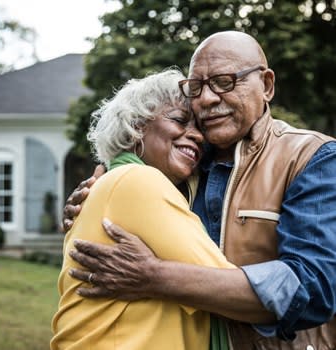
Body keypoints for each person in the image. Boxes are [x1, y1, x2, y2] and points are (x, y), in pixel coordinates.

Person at [64, 31, 336, 349]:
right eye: (196, 87)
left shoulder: (311, 156)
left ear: (267, 85)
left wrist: (155, 277)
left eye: (224, 81)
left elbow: (313, 288)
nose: (205, 99)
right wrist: (92, 200)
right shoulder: (178, 166)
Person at [51, 69, 238, 350]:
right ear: (137, 126)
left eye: (199, 128)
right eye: (179, 120)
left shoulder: (114, 184)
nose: (197, 136)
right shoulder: (137, 180)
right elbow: (233, 291)